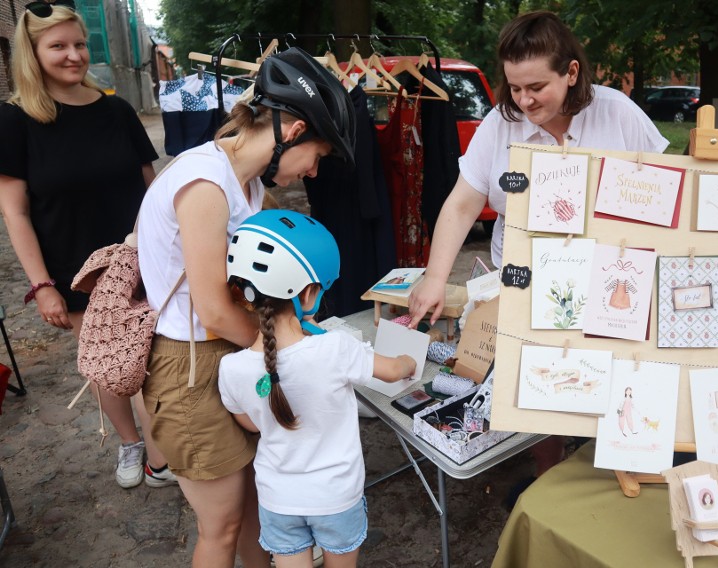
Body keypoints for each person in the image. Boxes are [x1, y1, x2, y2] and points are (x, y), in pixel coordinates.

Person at [407, 10, 668, 494]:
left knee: (608, 380)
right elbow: (464, 203)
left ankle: (611, 471)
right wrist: (436, 276)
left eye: (536, 88)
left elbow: (661, 193)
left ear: (571, 73)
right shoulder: (499, 123)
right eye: (514, 88)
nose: (523, 101)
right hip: (524, 281)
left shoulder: (618, 114)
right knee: (537, 382)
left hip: (609, 280)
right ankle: (546, 478)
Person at [136, 46, 356, 568]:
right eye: (318, 157)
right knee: (221, 527)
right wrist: (289, 352)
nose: (314, 172)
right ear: (295, 131)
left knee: (256, 505)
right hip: (189, 363)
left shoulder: (247, 183)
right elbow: (213, 310)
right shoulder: (207, 183)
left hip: (227, 353)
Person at [0, 0, 175, 489]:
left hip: (141, 258)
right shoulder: (15, 121)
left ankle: (162, 458)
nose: (74, 55)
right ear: (32, 54)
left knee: (157, 358)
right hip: (76, 270)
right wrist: (42, 285)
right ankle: (131, 443)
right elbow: (14, 212)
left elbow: (151, 187)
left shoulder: (117, 110)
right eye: (58, 46)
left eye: (80, 44)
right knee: (109, 363)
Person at [219, 210, 417, 568]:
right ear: (308, 293)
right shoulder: (335, 348)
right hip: (336, 497)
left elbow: (250, 424)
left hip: (277, 500)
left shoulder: (230, 368)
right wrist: (407, 360)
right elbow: (390, 372)